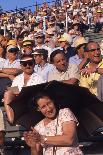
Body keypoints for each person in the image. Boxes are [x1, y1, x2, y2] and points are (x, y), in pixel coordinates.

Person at [3, 55, 45, 123]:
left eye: (30, 63)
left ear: (34, 64)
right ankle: (12, 119)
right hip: (18, 104)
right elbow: (13, 91)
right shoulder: (17, 78)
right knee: (8, 93)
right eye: (25, 64)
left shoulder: (39, 78)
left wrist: (21, 93)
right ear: (21, 66)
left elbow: (39, 95)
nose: (28, 66)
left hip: (32, 104)